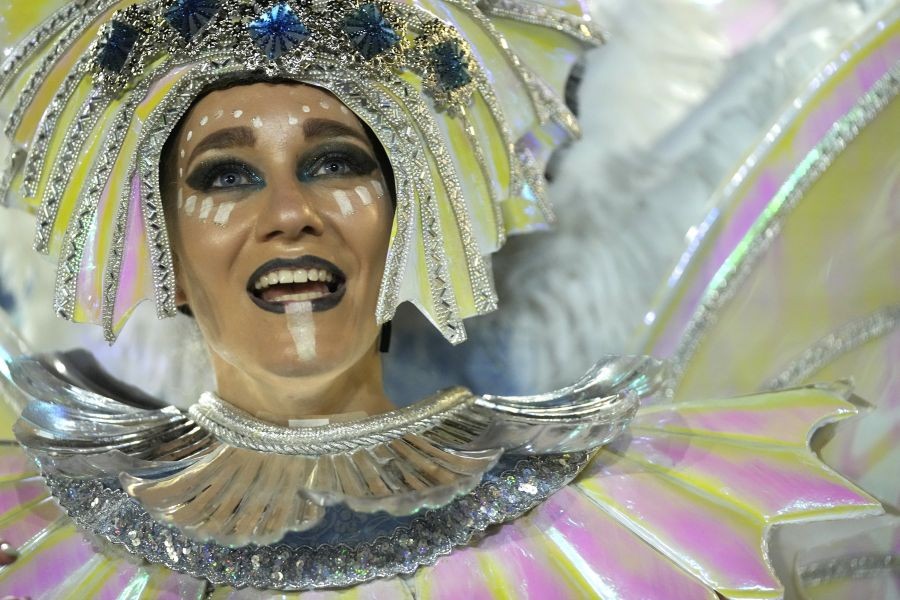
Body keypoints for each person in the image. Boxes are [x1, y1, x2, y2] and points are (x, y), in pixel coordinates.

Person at [0, 0, 896, 597]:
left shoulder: (622, 509)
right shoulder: (40, 535)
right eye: (227, 174)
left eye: (335, 163)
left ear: (405, 231)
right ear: (169, 257)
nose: (290, 214)